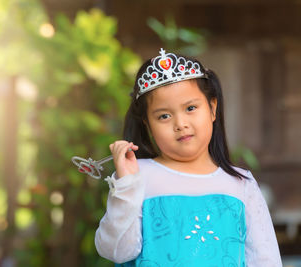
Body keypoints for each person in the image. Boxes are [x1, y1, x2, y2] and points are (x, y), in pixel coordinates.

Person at [94, 48, 282, 266]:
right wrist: (126, 183)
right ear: (147, 124)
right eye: (164, 116)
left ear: (212, 108)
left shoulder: (241, 184)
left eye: (191, 108)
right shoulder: (138, 175)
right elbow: (116, 250)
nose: (180, 124)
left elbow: (266, 260)